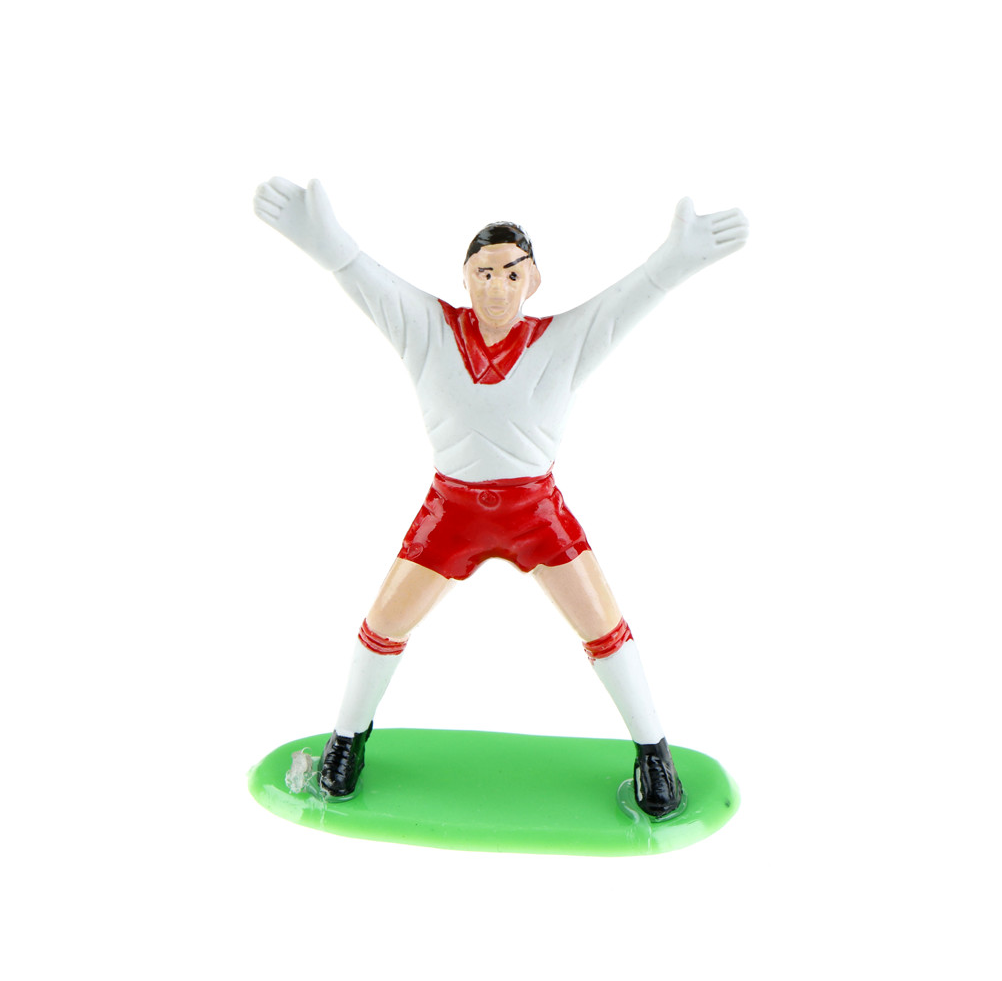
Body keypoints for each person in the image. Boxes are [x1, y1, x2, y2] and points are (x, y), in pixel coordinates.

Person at [253, 177, 748, 819]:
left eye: (511, 273)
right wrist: (325, 242)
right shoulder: (430, 329)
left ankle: (654, 751)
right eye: (483, 273)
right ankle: (347, 738)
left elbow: (624, 304)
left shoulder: (558, 341)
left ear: (532, 280)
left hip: (535, 512)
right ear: (465, 278)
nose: (496, 287)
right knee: (384, 625)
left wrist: (675, 258)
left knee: (604, 626)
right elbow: (370, 283)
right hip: (450, 511)